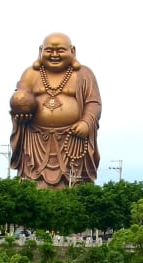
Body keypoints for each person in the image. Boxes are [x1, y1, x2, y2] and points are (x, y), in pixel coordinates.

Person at [9, 33, 101, 189]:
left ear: (72, 51)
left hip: (72, 139)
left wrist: (86, 122)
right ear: (41, 51)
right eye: (49, 50)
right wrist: (20, 111)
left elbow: (93, 102)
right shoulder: (31, 74)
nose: (54, 55)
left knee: (73, 184)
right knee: (34, 184)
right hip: (36, 140)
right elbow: (20, 96)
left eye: (60, 50)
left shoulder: (83, 74)